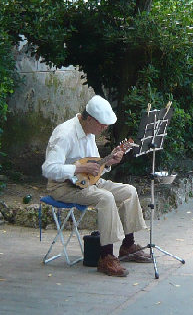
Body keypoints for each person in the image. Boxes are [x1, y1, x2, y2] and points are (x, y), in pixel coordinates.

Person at [42, 95, 150, 277]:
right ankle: (106, 257)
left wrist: (108, 163)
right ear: (89, 119)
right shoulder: (64, 134)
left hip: (88, 183)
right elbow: (49, 169)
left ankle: (128, 246)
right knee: (106, 198)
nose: (105, 128)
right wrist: (79, 167)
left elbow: (94, 169)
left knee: (129, 191)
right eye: (102, 124)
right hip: (62, 186)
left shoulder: (89, 132)